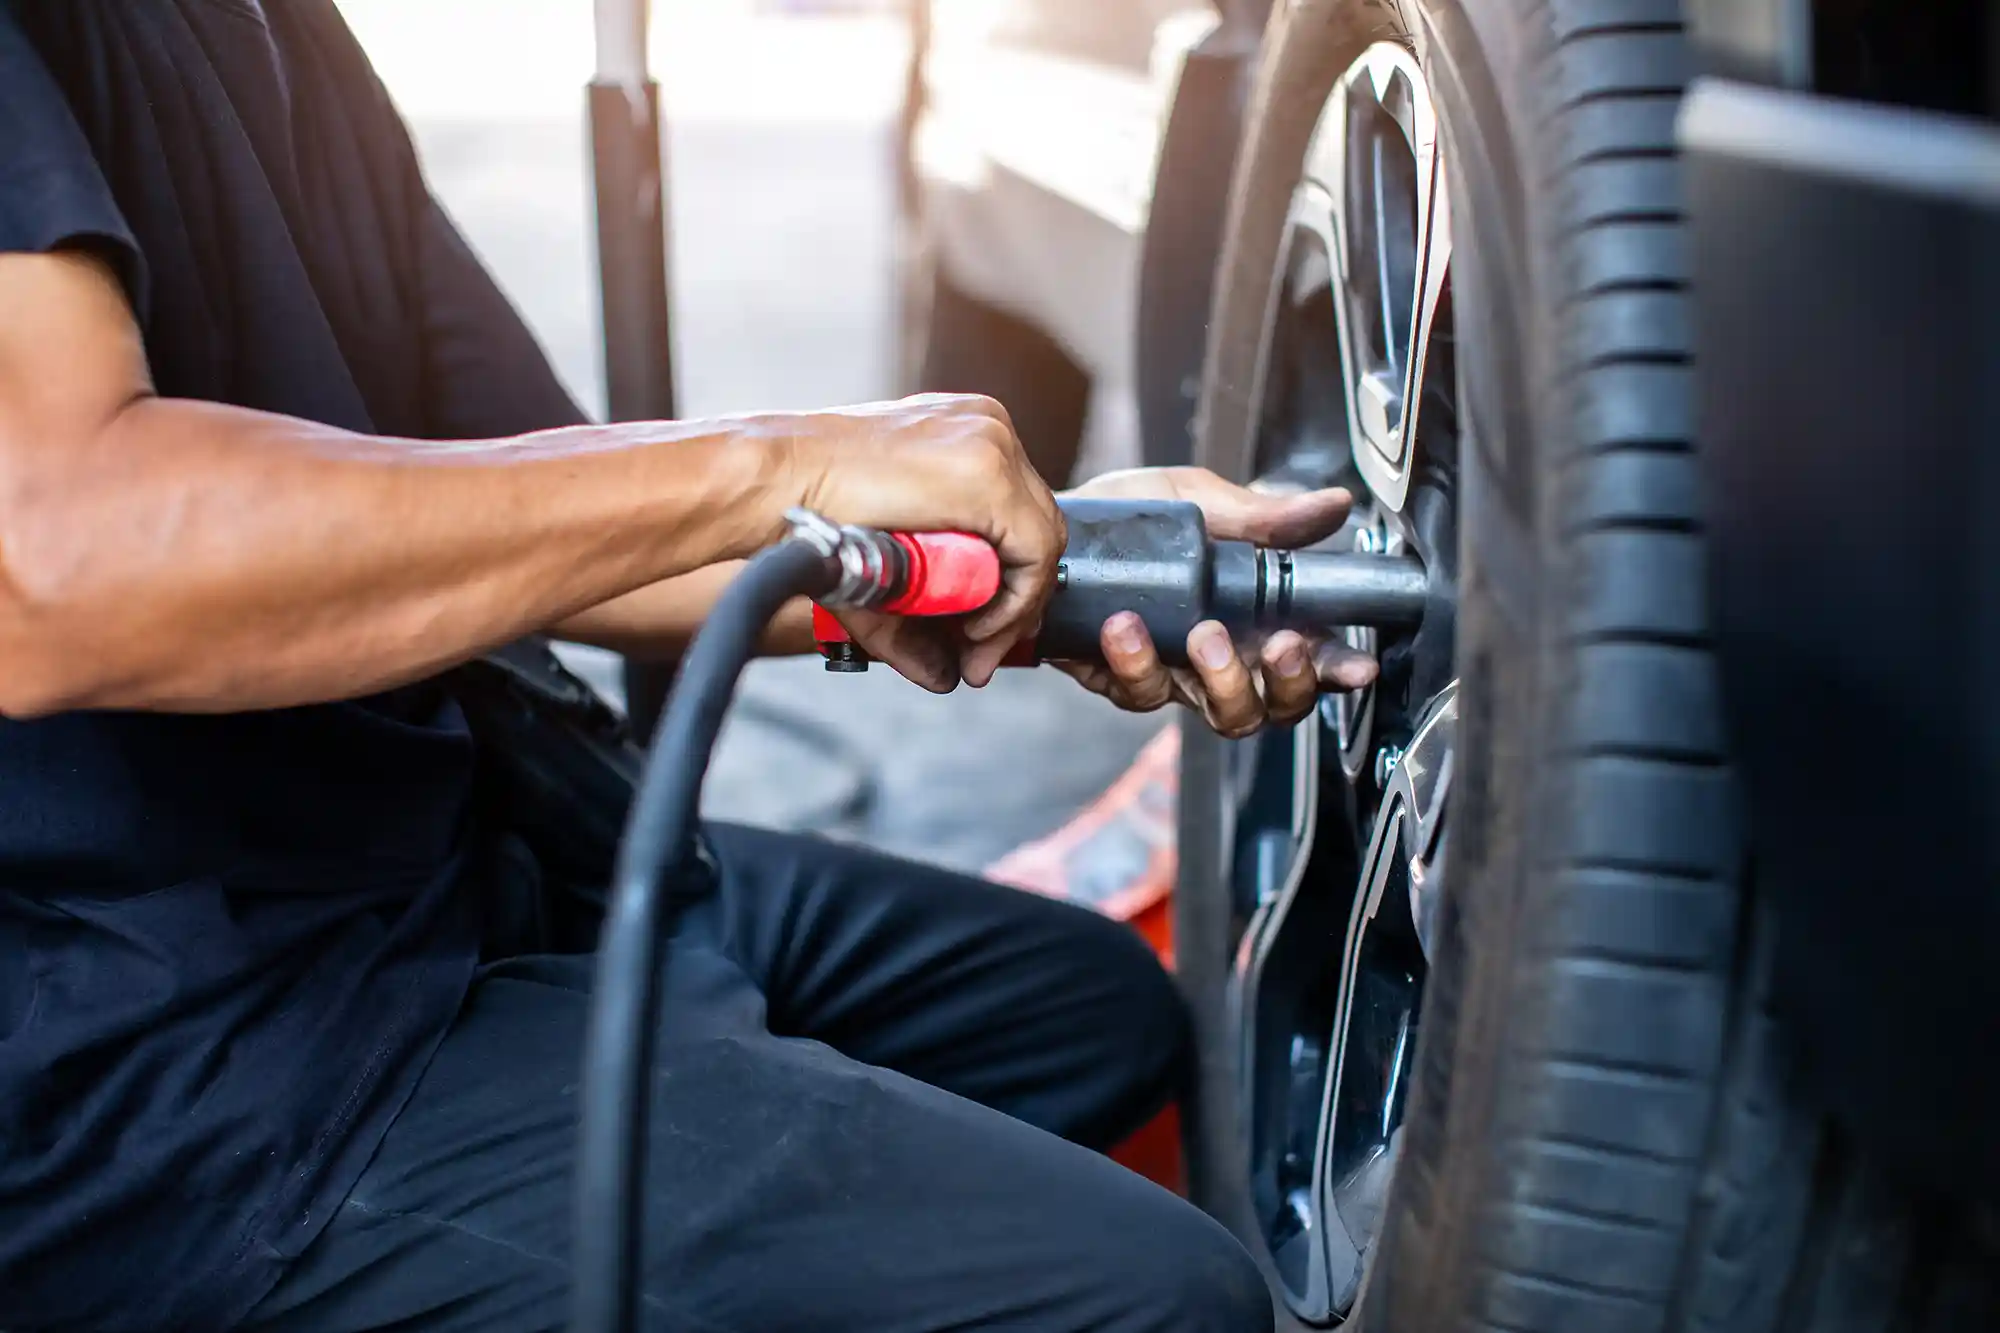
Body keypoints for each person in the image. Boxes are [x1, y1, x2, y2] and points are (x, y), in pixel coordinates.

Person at [0, 4, 1374, 1331]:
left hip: (441, 875)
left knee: (1093, 1019)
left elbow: (564, 520)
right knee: (1156, 1299)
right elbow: (60, 561)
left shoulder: (267, 27)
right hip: (171, 1070)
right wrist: (785, 468)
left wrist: (1053, 560)